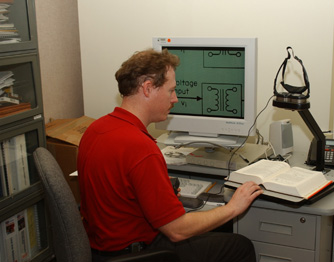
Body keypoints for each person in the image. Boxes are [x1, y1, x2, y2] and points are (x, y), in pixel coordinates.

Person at [77, 48, 263, 262]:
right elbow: (177, 230)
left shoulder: (96, 128)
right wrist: (233, 208)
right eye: (171, 90)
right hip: (138, 254)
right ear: (148, 89)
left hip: (102, 249)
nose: (175, 98)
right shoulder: (141, 147)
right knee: (240, 245)